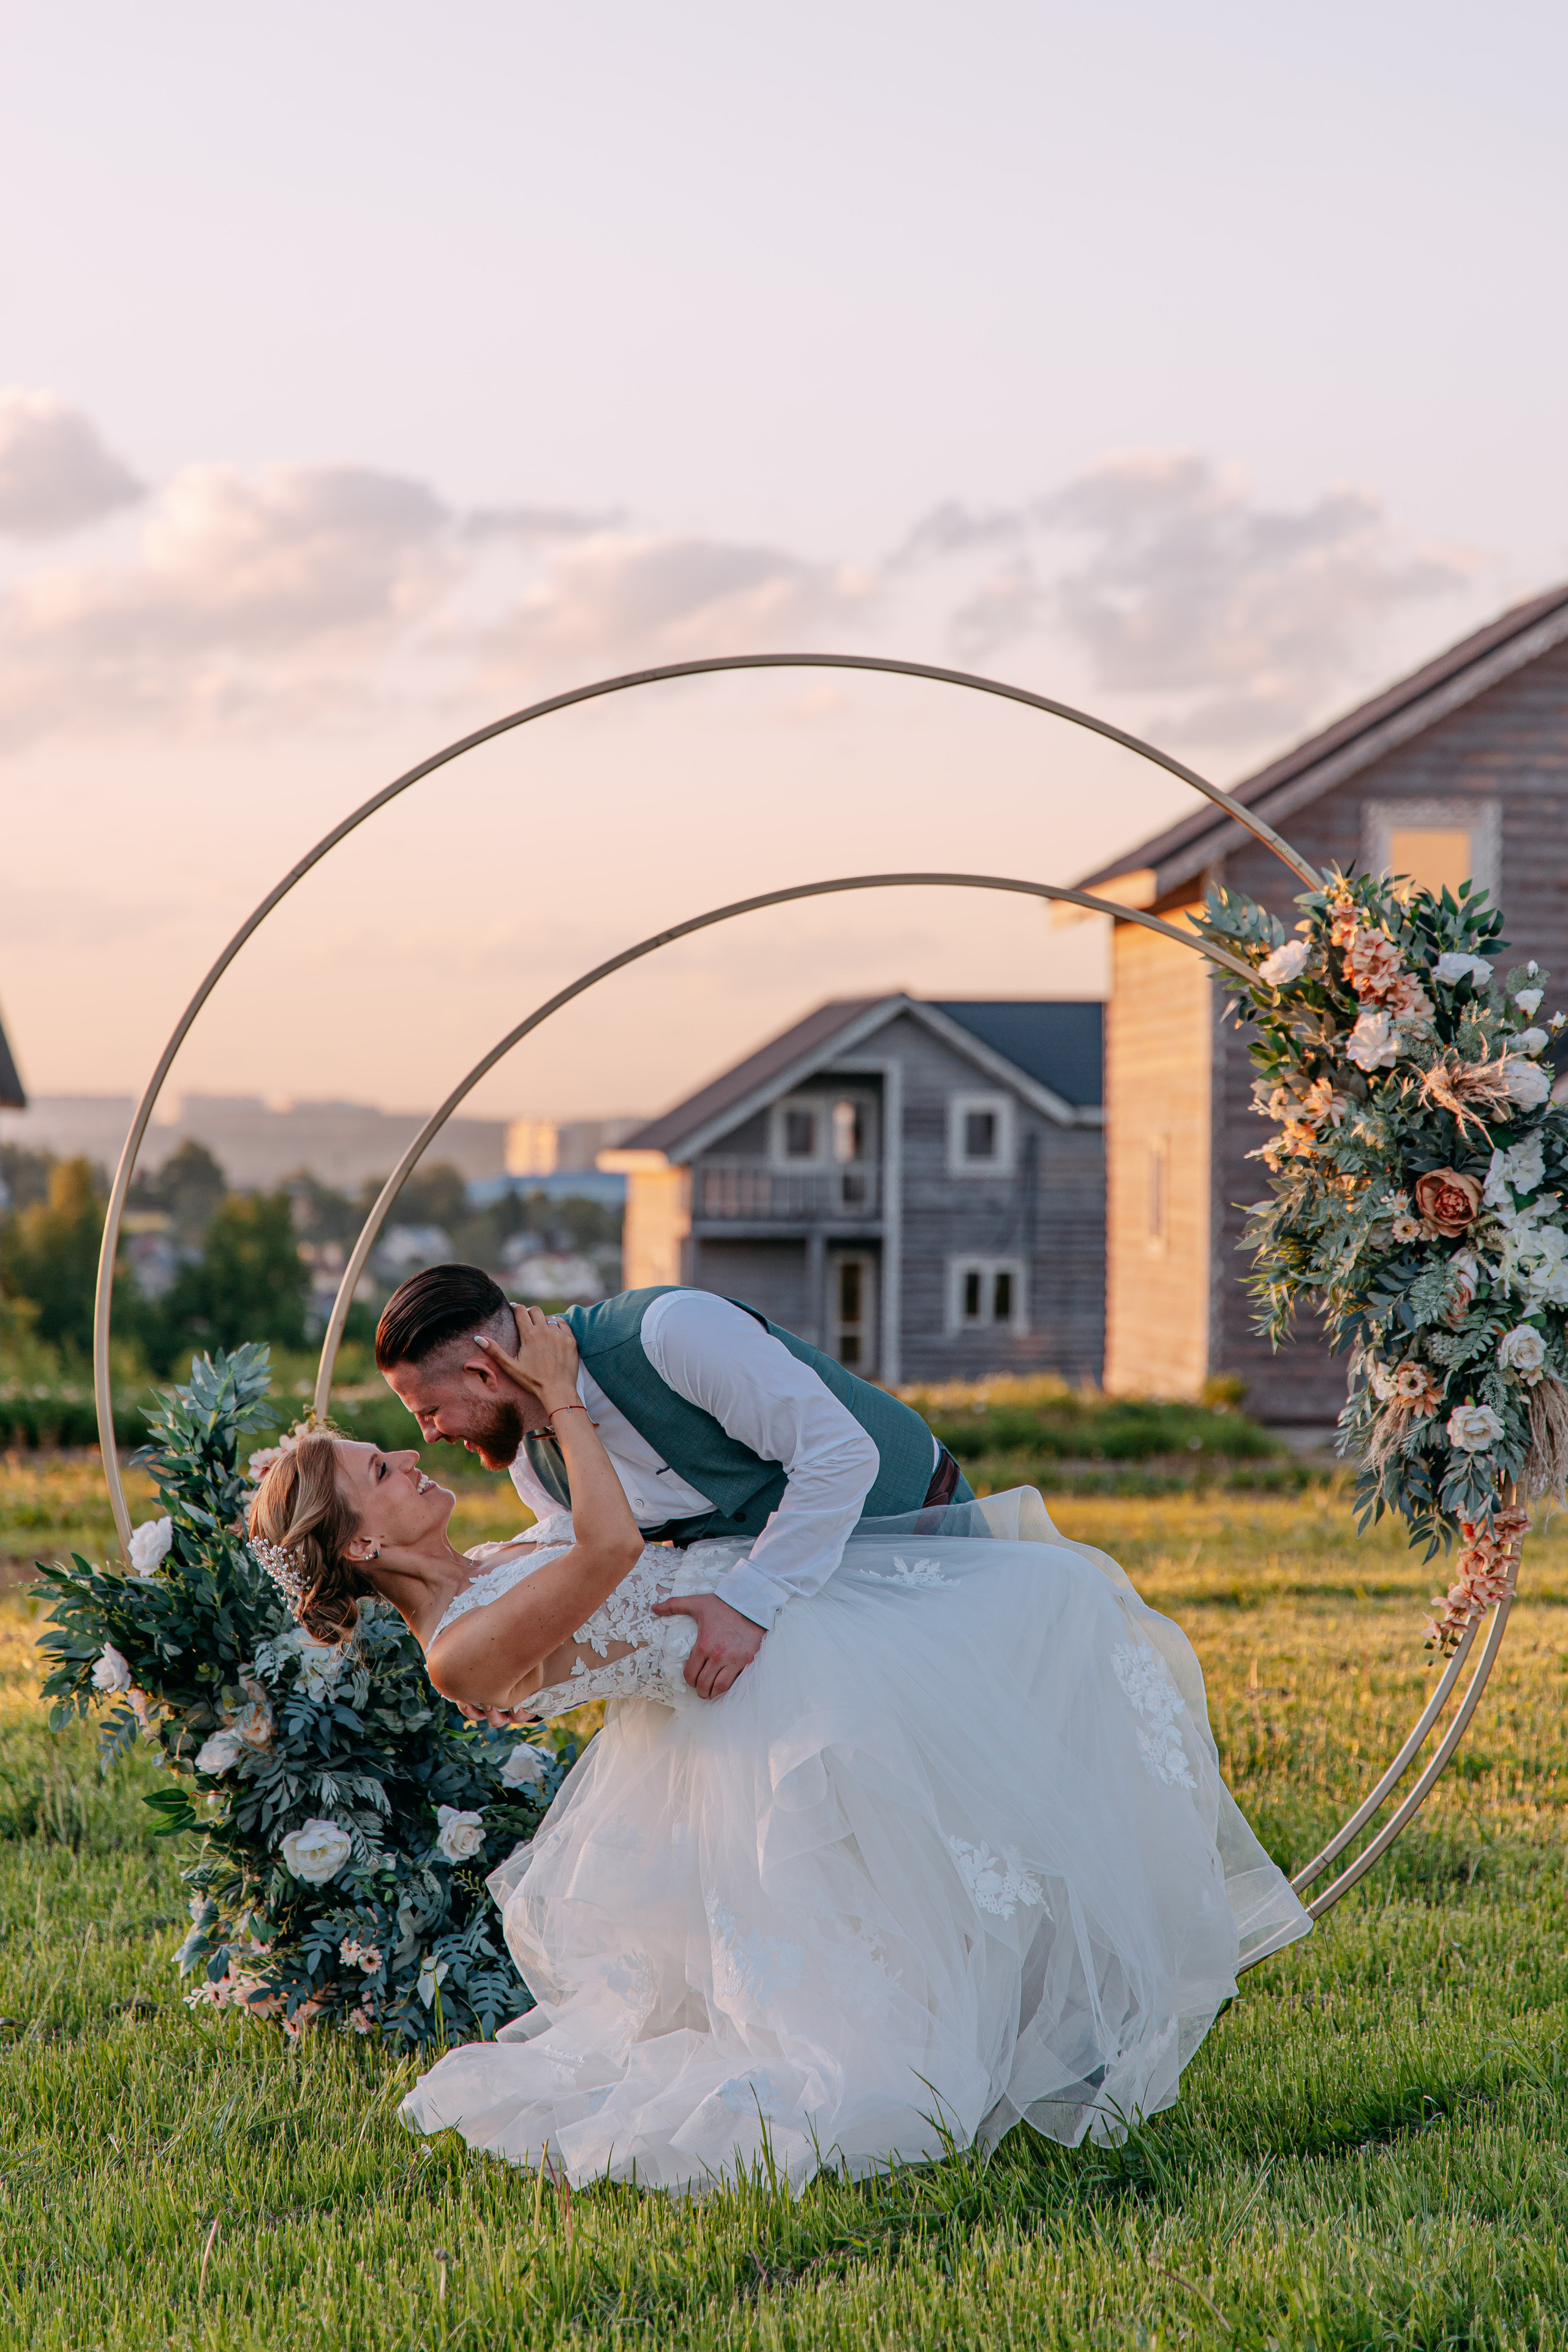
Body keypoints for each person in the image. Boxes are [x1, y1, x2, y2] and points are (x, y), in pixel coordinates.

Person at [249, 1310, 1312, 2193]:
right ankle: (980, 2063)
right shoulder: (460, 1651)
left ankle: (1050, 2035)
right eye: (382, 1466)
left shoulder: (488, 1560)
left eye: (401, 1436)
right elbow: (615, 1548)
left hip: (772, 1650)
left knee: (992, 1770)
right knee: (917, 1872)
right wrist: (563, 1394)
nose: (411, 1453)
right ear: (364, 1545)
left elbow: (626, 1541)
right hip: (771, 1685)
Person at [373, 1265, 973, 1701]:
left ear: (482, 1374)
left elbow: (838, 1454)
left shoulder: (668, 1333)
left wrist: (749, 1601)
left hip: (933, 1556)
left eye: (429, 1412)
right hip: (817, 1648)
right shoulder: (536, 1465)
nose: (428, 1436)